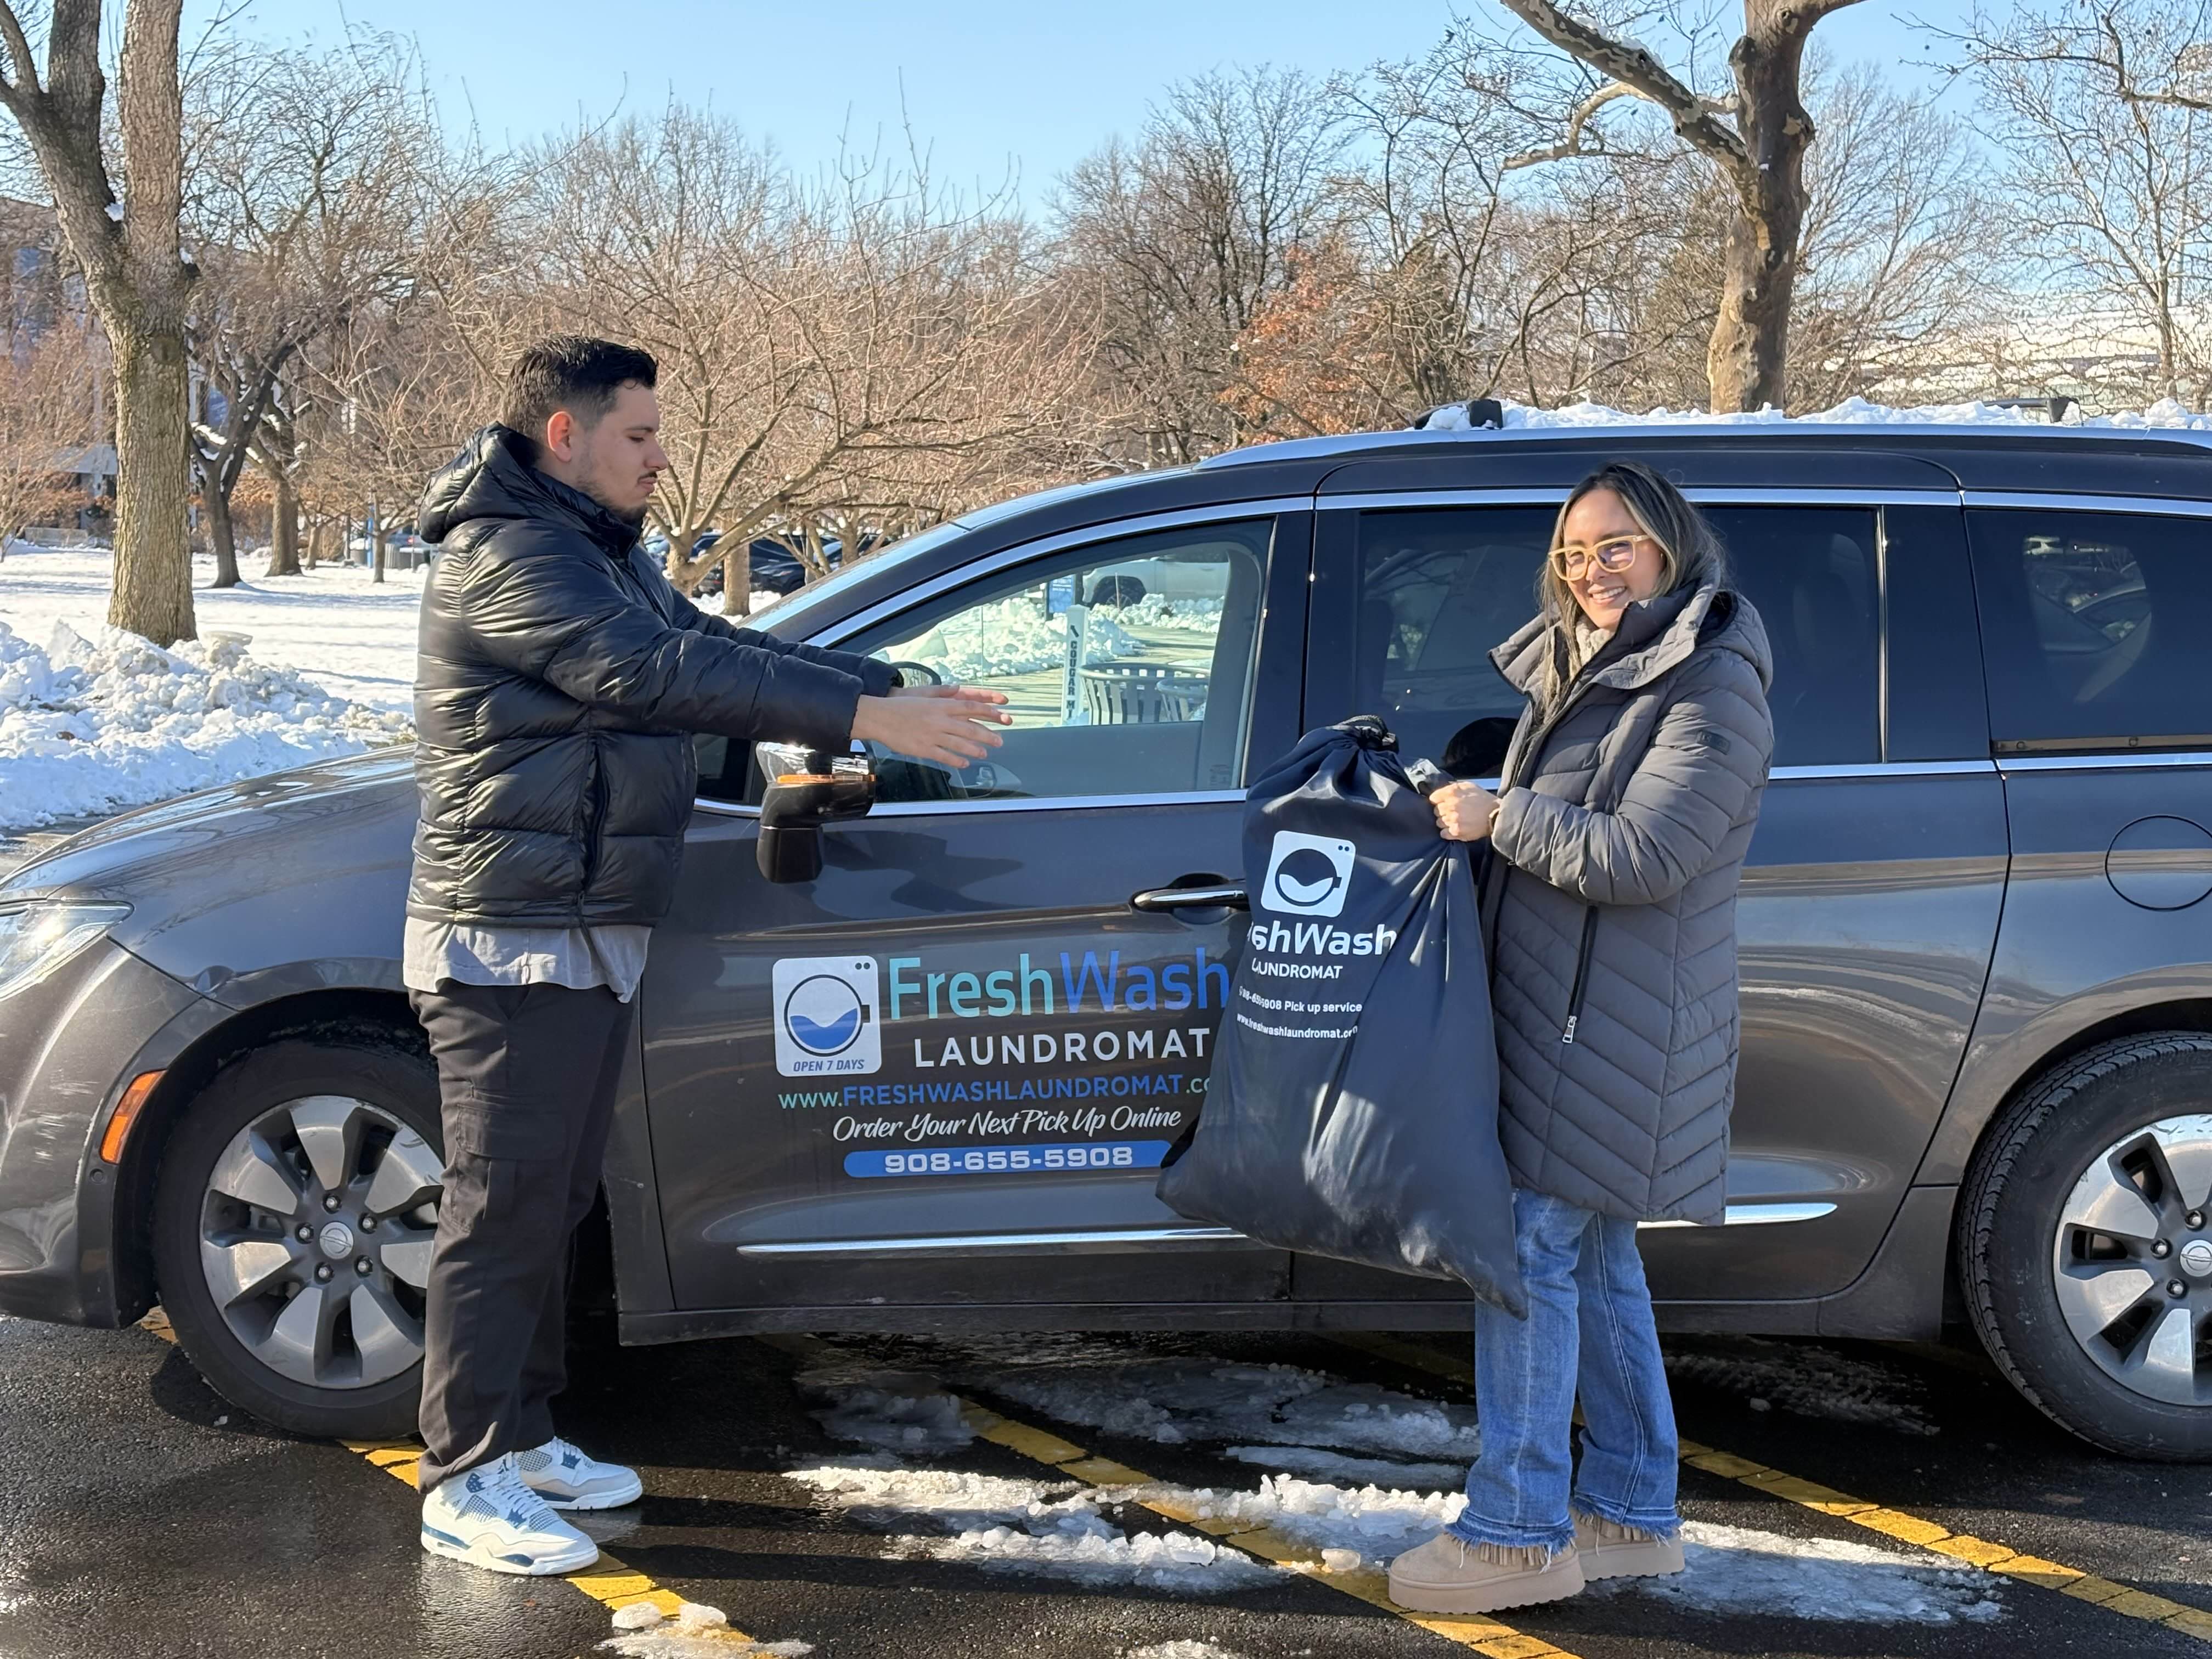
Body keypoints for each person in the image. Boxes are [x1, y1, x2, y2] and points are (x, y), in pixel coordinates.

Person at [405, 336, 1008, 1576]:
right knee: (500, 1207)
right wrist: (861, 718)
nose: (660, 458)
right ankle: (462, 1474)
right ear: (563, 436)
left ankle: (520, 1436)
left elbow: (735, 646)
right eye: (639, 436)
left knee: (552, 1202)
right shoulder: (507, 556)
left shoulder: (595, 554)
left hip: (580, 924)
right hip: (511, 937)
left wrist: (881, 682)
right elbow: (659, 671)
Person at [1387, 460, 1774, 1615]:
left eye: (1616, 546)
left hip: (1604, 1025)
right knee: (1595, 1260)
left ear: (1670, 546)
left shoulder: (1710, 685)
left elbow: (1647, 856)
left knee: (1526, 1257)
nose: (1592, 569)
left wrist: (1503, 817)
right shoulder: (1598, 672)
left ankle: (1515, 1533)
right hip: (1570, 1016)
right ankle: (1632, 1513)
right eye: (1574, 552)